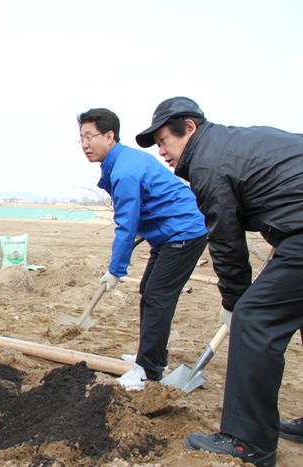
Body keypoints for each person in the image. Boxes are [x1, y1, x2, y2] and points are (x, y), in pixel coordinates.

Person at [136, 96, 303, 467]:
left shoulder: (208, 165)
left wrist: (236, 304)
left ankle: (248, 441)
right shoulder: (232, 143)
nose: (162, 151)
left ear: (189, 128)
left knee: (255, 320)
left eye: (164, 140)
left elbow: (226, 242)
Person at [77, 108, 208, 391]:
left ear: (109, 136)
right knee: (149, 291)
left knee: (158, 296)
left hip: (184, 232)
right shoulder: (121, 162)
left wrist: (116, 270)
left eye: (90, 136)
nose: (85, 145)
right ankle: (152, 356)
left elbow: (126, 225)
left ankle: (148, 371)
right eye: (81, 138)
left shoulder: (125, 170)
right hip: (167, 233)